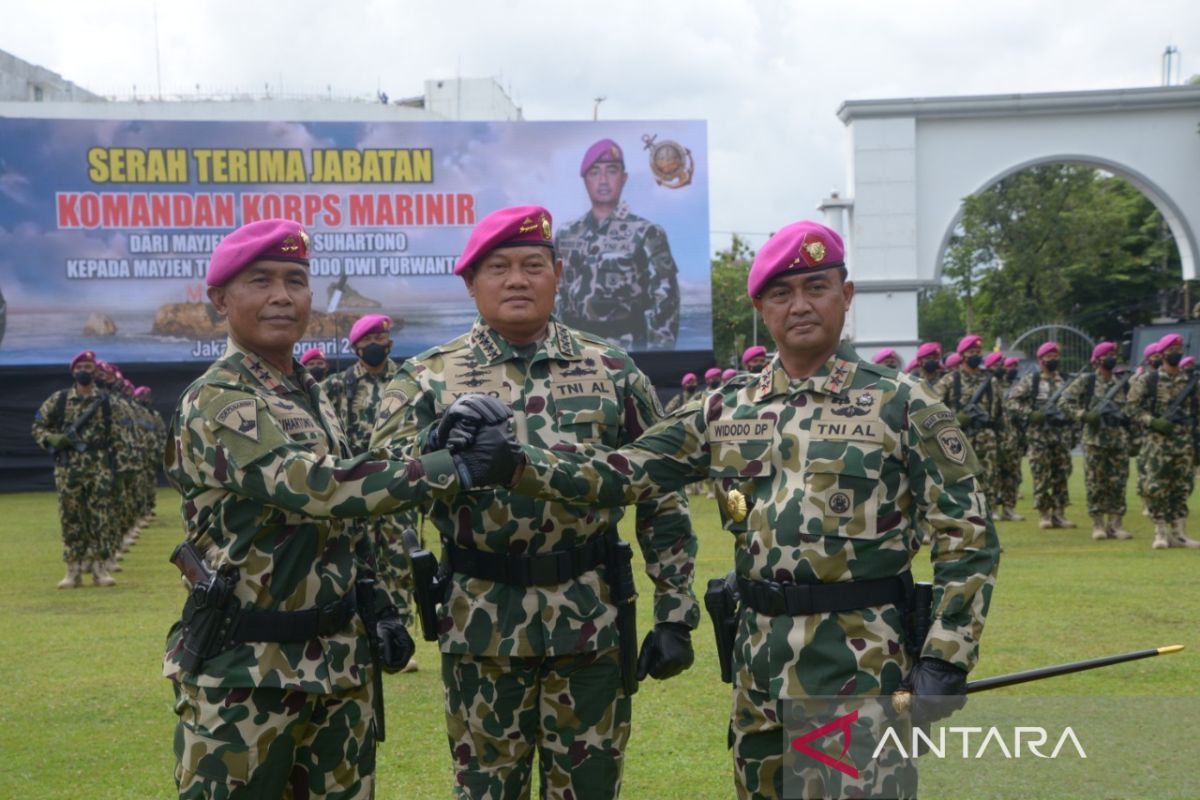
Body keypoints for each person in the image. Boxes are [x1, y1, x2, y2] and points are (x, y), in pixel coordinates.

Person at [482, 219, 999, 798]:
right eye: (781, 293)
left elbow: (968, 535)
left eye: (817, 287)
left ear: (846, 296)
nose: (799, 305)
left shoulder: (903, 406)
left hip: (860, 667)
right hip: (759, 670)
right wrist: (512, 462)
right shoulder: (725, 409)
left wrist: (947, 657)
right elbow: (621, 472)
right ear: (761, 307)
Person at [369, 205, 699, 799]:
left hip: (590, 622)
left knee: (591, 789)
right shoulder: (426, 378)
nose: (517, 280)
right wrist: (389, 605)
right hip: (479, 623)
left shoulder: (612, 369)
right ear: (470, 282)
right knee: (487, 790)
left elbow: (659, 489)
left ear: (559, 272)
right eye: (498, 267)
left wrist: (675, 611)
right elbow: (384, 489)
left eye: (532, 265)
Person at [162, 218, 483, 799]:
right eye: (260, 280)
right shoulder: (219, 398)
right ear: (219, 299)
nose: (281, 296)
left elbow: (343, 517)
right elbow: (319, 488)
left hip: (336, 665)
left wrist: (376, 601)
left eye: (295, 280)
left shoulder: (306, 393)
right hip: (248, 673)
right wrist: (447, 468)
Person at [321, 313, 419, 669]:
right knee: (361, 561)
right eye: (369, 341)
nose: (377, 346)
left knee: (400, 561)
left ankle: (399, 639)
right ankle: (366, 635)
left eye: (383, 339)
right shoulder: (337, 385)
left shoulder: (408, 381)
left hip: (398, 485)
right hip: (355, 487)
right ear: (357, 347)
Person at [554, 139, 680, 350]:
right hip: (574, 348)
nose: (603, 180)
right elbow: (555, 293)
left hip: (627, 348)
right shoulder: (566, 233)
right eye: (594, 172)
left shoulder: (647, 232)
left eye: (611, 171)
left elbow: (666, 297)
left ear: (624, 178)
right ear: (585, 180)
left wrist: (660, 353)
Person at [31, 350, 124, 588]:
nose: (84, 371)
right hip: (68, 469)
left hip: (99, 468)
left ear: (96, 372)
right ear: (73, 371)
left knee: (99, 519)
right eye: (80, 367)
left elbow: (120, 435)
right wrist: (52, 439)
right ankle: (72, 570)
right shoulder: (59, 400)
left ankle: (99, 569)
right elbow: (38, 426)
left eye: (89, 367)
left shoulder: (106, 402)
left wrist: (117, 466)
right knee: (71, 519)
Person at [1127, 333, 1200, 549]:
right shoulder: (1148, 381)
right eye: (1171, 350)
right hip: (1157, 444)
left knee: (1182, 486)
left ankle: (1178, 533)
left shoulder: (1190, 381)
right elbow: (1131, 407)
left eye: (1179, 349)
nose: (1176, 353)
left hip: (1183, 443)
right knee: (1155, 487)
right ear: (1161, 354)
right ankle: (1160, 531)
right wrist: (1151, 421)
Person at [1059, 342, 1135, 540]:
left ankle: (1116, 524)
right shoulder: (1087, 381)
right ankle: (1098, 524)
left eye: (1114, 354)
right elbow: (1064, 401)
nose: (1112, 357)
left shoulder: (1123, 382)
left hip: (1118, 439)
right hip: (1095, 440)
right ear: (1098, 358)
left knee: (1118, 482)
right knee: (1095, 482)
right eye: (1108, 354)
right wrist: (1083, 415)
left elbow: (1133, 407)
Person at [1005, 342, 1076, 529]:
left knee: (1062, 473)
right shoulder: (1031, 381)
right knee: (1041, 474)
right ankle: (1044, 514)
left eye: (1056, 356)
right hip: (1039, 436)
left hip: (1061, 435)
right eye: (1049, 357)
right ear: (1041, 359)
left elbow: (1074, 405)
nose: (1053, 360)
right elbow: (1011, 402)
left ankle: (1059, 513)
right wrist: (1030, 413)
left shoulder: (1065, 381)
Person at [934, 335, 1001, 511]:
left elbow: (999, 413)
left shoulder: (990, 381)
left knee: (990, 474)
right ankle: (965, 509)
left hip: (987, 436)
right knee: (961, 477)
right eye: (971, 352)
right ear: (962, 355)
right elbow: (933, 409)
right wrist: (955, 419)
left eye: (978, 352)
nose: (976, 355)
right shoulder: (949, 380)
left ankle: (989, 510)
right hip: (959, 437)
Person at [991, 355, 1025, 522]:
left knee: (1012, 474)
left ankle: (1009, 508)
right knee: (993, 474)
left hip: (1011, 436)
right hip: (993, 438)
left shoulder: (1011, 387)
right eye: (998, 365)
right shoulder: (988, 387)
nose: (1003, 368)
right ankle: (993, 508)